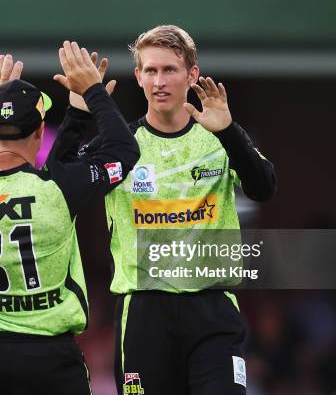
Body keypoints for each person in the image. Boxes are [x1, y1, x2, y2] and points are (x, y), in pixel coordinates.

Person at [53, 25, 277, 394]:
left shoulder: (218, 137)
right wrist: (78, 111)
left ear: (191, 75)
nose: (160, 81)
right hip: (144, 313)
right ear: (138, 76)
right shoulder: (121, 147)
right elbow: (57, 182)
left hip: (212, 309)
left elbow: (264, 188)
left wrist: (229, 131)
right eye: (151, 70)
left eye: (170, 70)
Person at [0, 40, 140, 395]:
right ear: (41, 132)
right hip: (49, 360)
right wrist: (93, 93)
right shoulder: (58, 188)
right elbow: (124, 149)